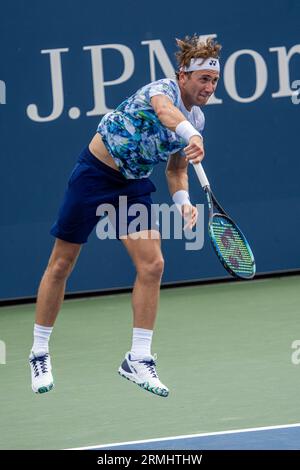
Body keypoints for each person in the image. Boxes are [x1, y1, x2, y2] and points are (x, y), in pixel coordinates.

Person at [29, 35, 221, 397]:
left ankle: (139, 358)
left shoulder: (197, 119)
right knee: (61, 265)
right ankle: (39, 351)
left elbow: (176, 170)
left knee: (153, 266)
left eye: (213, 81)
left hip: (131, 187)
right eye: (203, 79)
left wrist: (183, 202)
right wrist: (191, 133)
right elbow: (167, 113)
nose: (209, 87)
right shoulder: (161, 90)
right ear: (183, 76)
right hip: (93, 176)